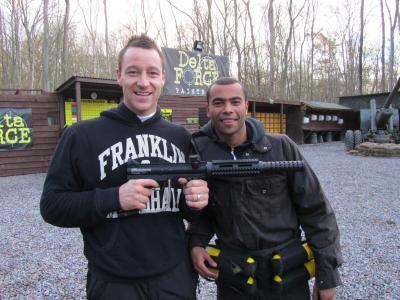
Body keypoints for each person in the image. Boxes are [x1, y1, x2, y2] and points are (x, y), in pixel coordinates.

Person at [40, 34, 209, 300]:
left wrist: (196, 203)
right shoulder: (81, 136)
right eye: (133, 72)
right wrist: (114, 197)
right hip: (113, 283)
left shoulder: (182, 138)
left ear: (163, 77)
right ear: (119, 75)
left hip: (174, 277)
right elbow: (52, 206)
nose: (143, 82)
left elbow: (189, 211)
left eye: (152, 73)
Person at [187, 77, 342, 300]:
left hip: (287, 276)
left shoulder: (281, 148)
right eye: (219, 103)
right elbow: (202, 212)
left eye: (235, 102)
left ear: (246, 106)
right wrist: (197, 243)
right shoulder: (199, 154)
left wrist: (327, 275)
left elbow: (317, 212)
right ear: (208, 109)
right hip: (235, 277)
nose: (228, 109)